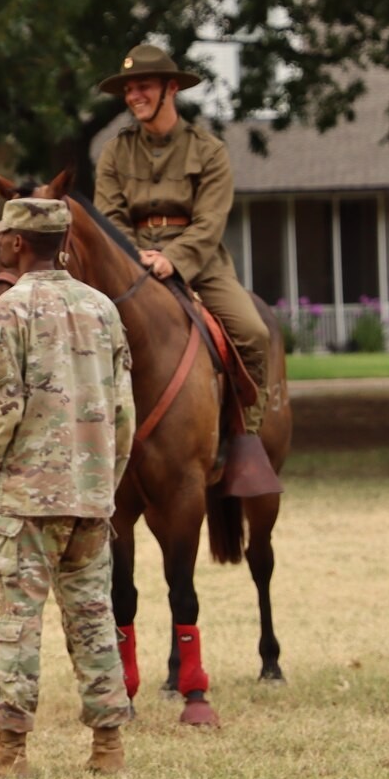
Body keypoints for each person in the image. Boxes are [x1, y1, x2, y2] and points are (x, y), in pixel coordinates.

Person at [0, 198, 135, 779]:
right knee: (93, 618)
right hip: (89, 495)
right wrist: (104, 485)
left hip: (26, 498)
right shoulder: (103, 308)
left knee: (16, 621)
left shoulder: (8, 309)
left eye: (3, 237)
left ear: (19, 243)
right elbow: (122, 409)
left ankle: (10, 750)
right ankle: (107, 748)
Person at [93, 43, 274, 469]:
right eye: (129, 89)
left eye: (144, 86)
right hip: (129, 264)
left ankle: (243, 440)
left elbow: (211, 220)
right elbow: (108, 216)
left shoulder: (208, 150)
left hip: (199, 262)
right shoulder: (114, 152)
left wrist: (173, 259)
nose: (134, 96)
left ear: (171, 88)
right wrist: (135, 256)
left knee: (254, 334)